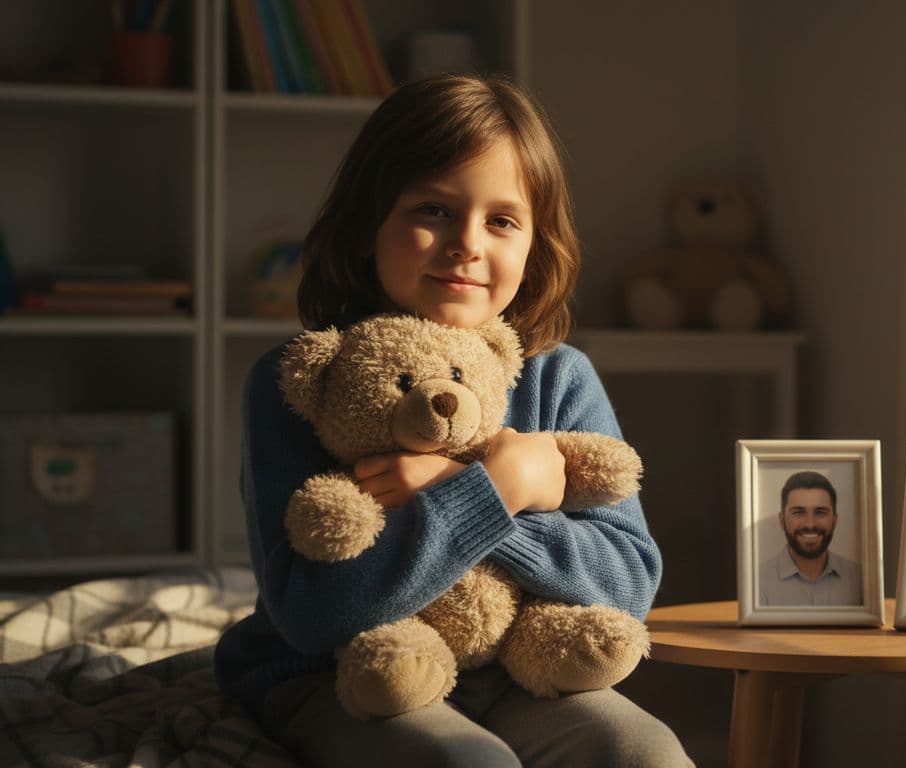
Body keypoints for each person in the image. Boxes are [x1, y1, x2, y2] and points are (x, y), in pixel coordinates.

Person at [213, 75, 690, 767]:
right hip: (345, 677)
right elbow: (315, 615)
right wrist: (493, 487)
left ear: (534, 245)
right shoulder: (302, 380)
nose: (467, 243)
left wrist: (490, 489)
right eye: (432, 210)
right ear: (366, 224)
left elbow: (627, 586)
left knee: (641, 749)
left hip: (523, 669)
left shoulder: (558, 378)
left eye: (501, 220)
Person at [758, 471, 864, 606]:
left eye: (820, 512)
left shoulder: (861, 580)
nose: (810, 524)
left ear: (835, 520)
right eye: (798, 512)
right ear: (782, 520)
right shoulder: (757, 583)